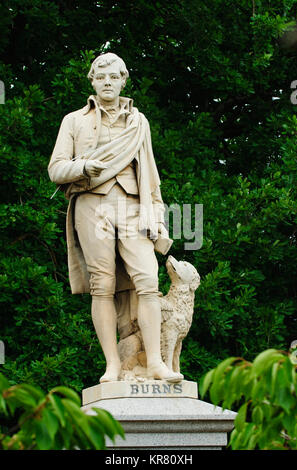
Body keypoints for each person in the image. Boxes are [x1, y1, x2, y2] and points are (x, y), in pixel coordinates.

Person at [48, 52, 180, 383]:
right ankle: (112, 365)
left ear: (124, 80)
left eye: (114, 77)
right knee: (102, 285)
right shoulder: (74, 121)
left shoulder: (139, 122)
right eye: (101, 77)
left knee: (149, 280)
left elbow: (151, 175)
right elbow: (56, 168)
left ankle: (155, 362)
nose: (108, 82)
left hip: (134, 207)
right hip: (92, 205)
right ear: (92, 81)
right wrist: (82, 167)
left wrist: (159, 216)